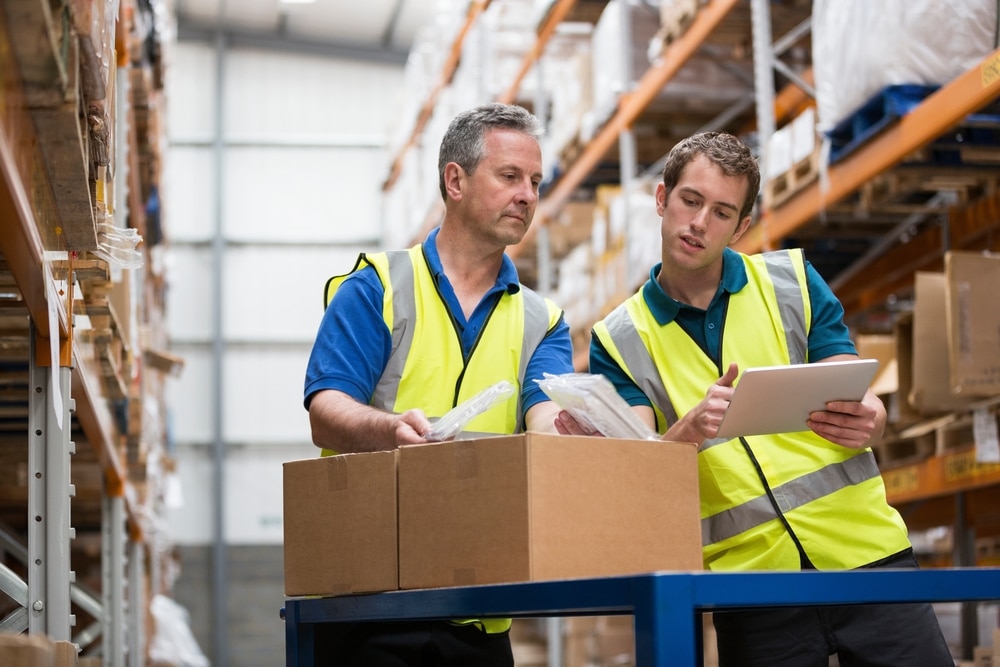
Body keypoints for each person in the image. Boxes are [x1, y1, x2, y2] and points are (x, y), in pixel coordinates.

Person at [556, 131, 953, 666]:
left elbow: (853, 388)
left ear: (741, 227)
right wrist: (690, 430)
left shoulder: (790, 282)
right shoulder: (619, 339)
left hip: (868, 557)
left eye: (722, 213)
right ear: (662, 200)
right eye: (690, 201)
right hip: (753, 587)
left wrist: (872, 420)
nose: (699, 223)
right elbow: (640, 467)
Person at [303, 102, 574, 666]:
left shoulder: (541, 319)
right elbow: (326, 409)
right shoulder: (377, 287)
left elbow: (544, 414)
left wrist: (569, 430)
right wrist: (391, 428)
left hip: (480, 609)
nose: (527, 195)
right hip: (370, 604)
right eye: (509, 177)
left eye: (535, 181)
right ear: (455, 180)